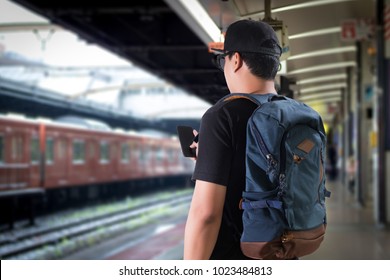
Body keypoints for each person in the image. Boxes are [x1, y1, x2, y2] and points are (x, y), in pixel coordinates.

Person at [183, 19, 282, 260]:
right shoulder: (293, 113)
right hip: (284, 251)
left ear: (235, 60)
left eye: (223, 60)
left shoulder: (222, 116)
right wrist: (208, 159)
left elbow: (205, 214)